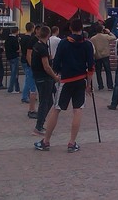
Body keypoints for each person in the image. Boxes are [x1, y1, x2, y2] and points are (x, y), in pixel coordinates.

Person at [34, 19, 95, 153]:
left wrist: (57, 74)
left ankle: (46, 141)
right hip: (81, 80)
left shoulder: (64, 43)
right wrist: (89, 84)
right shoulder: (87, 44)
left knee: (57, 109)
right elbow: (91, 67)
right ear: (82, 28)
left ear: (71, 28)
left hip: (66, 80)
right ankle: (72, 143)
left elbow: (56, 64)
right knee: (78, 110)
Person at [31, 26, 60, 136]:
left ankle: (41, 122)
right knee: (44, 102)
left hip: (39, 76)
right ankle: (38, 126)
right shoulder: (42, 48)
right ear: (48, 35)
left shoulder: (37, 45)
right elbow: (46, 67)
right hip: (44, 78)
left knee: (49, 101)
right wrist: (55, 77)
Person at [20, 22, 38, 118]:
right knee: (29, 79)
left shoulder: (22, 37)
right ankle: (25, 96)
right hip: (28, 60)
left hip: (23, 58)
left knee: (28, 78)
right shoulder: (30, 39)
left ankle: (26, 95)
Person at [89, 24, 116, 91]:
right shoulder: (106, 36)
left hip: (97, 56)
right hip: (105, 55)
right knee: (108, 71)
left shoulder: (93, 38)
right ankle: (110, 86)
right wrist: (109, 32)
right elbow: (114, 37)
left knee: (98, 72)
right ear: (102, 30)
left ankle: (100, 86)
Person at [5, 26, 21, 93]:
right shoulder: (15, 39)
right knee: (14, 74)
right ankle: (11, 88)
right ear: (17, 31)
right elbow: (17, 49)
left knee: (14, 72)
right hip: (14, 57)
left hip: (9, 57)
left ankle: (17, 88)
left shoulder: (7, 39)